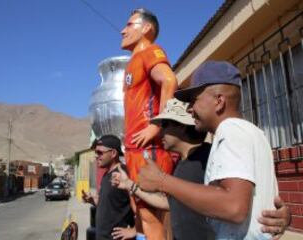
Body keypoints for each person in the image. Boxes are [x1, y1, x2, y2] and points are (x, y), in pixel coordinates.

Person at [138, 61, 290, 239]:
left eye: (194, 100)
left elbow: (233, 207)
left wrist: (162, 181)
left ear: (219, 101)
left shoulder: (230, 129)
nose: (190, 109)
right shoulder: (253, 132)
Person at [112, 98, 215, 240]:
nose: (160, 133)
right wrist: (130, 185)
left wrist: (160, 179)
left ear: (182, 126)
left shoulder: (209, 159)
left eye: (165, 125)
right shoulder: (182, 163)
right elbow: (169, 203)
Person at [120, 8, 177, 239]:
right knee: (142, 215)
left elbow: (169, 80)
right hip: (135, 150)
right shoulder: (132, 63)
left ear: (146, 28)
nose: (123, 30)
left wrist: (156, 125)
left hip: (149, 150)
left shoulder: (151, 52)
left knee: (153, 218)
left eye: (129, 24)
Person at [82, 135, 134, 240]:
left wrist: (134, 230)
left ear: (113, 153)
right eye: (95, 152)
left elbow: (143, 208)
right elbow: (109, 206)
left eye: (100, 152)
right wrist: (92, 200)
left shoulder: (124, 174)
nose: (96, 156)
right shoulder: (106, 175)